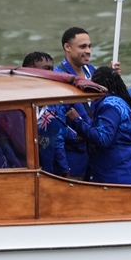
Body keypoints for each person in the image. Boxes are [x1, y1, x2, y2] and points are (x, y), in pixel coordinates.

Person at [64, 67, 131, 185]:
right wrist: (86, 135)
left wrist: (77, 120)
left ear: (99, 85)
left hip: (122, 177)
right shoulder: (120, 101)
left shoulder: (109, 105)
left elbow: (103, 139)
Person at [53, 28, 96, 178]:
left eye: (90, 46)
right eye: (83, 46)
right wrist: (78, 136)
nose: (88, 51)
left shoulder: (92, 72)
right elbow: (55, 122)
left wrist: (111, 78)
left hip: (97, 152)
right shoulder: (58, 76)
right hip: (74, 156)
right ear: (67, 47)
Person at [23, 51, 68, 175]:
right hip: (21, 171)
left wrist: (64, 171)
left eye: (52, 69)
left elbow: (57, 139)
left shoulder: (53, 105)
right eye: (47, 69)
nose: (52, 74)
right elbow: (6, 143)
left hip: (48, 172)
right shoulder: (14, 105)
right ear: (29, 72)